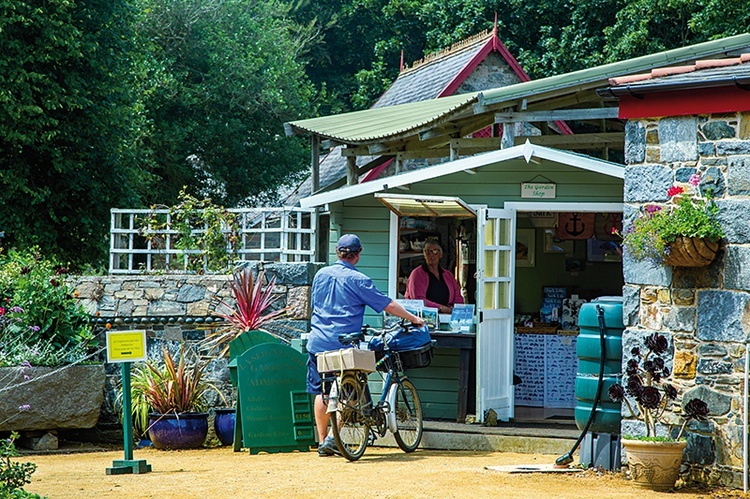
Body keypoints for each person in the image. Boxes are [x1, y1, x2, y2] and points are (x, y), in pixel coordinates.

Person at [307, 234, 424, 457]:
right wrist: (413, 319)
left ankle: (322, 442)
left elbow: (315, 305)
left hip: (317, 341)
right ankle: (333, 438)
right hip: (344, 345)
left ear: (337, 252)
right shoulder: (358, 279)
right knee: (350, 393)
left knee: (322, 392)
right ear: (358, 254)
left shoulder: (321, 275)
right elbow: (387, 304)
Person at [404, 240, 463, 314]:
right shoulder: (417, 274)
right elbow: (418, 300)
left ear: (440, 255)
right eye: (428, 252)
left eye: (435, 251)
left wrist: (456, 311)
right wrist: (441, 308)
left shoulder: (448, 274)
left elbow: (457, 296)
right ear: (424, 255)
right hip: (425, 316)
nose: (431, 255)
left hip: (447, 316)